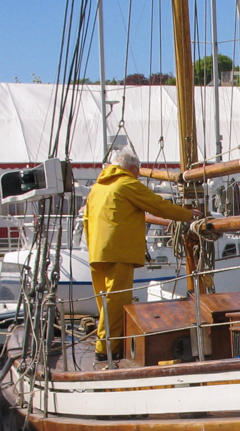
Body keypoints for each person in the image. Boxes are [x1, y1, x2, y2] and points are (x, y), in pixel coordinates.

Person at [83, 148, 201, 361]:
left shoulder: (97, 188)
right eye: (137, 172)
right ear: (133, 168)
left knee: (105, 302)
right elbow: (157, 206)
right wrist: (187, 215)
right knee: (116, 302)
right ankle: (106, 350)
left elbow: (86, 219)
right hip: (119, 252)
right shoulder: (127, 184)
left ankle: (109, 344)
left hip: (97, 252)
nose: (138, 175)